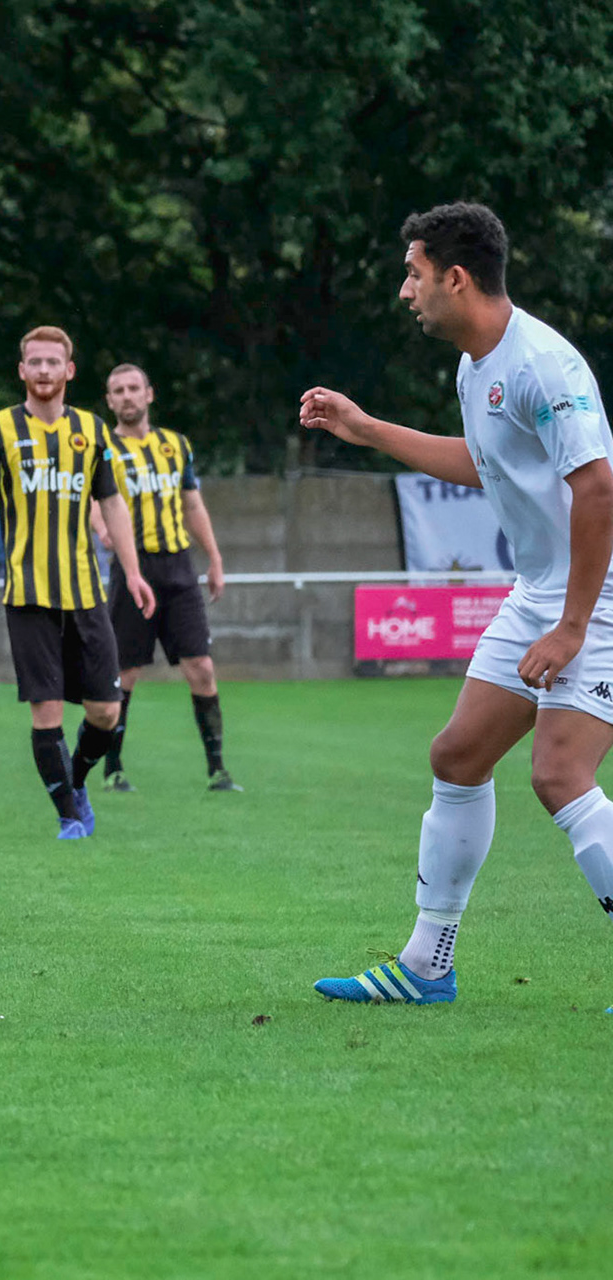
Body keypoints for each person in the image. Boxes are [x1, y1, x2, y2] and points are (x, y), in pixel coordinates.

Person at [301, 201, 613, 1006]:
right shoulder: (478, 366)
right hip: (542, 592)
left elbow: (599, 486)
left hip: (598, 591)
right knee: (458, 758)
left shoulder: (543, 362)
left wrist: (574, 625)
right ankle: (425, 966)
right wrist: (368, 430)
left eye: (413, 274)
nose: (406, 290)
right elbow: (486, 464)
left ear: (456, 277)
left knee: (559, 774)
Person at [0, 326, 155, 840]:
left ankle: (77, 781)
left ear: (69, 371)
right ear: (22, 371)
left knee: (106, 712)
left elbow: (112, 505)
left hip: (87, 593)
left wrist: (132, 573)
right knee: (45, 712)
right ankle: (68, 816)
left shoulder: (91, 431)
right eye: (34, 362)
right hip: (27, 595)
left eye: (53, 362)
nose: (43, 370)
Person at [90, 364, 241, 792]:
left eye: (133, 388)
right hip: (132, 567)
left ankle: (218, 769)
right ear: (109, 400)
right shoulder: (102, 448)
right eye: (117, 390)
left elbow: (192, 504)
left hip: (178, 568)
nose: (126, 396)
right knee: (127, 671)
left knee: (202, 668)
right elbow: (90, 500)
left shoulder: (175, 445)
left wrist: (213, 558)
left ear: (149, 394)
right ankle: (113, 768)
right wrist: (101, 529)